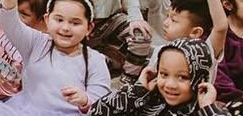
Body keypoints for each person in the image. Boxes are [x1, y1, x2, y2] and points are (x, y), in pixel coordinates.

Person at [86, 38, 220, 116]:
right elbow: (96, 112)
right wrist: (137, 91)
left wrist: (208, 108)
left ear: (200, 79)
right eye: (164, 74)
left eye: (182, 77)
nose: (170, 84)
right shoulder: (145, 100)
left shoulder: (202, 112)